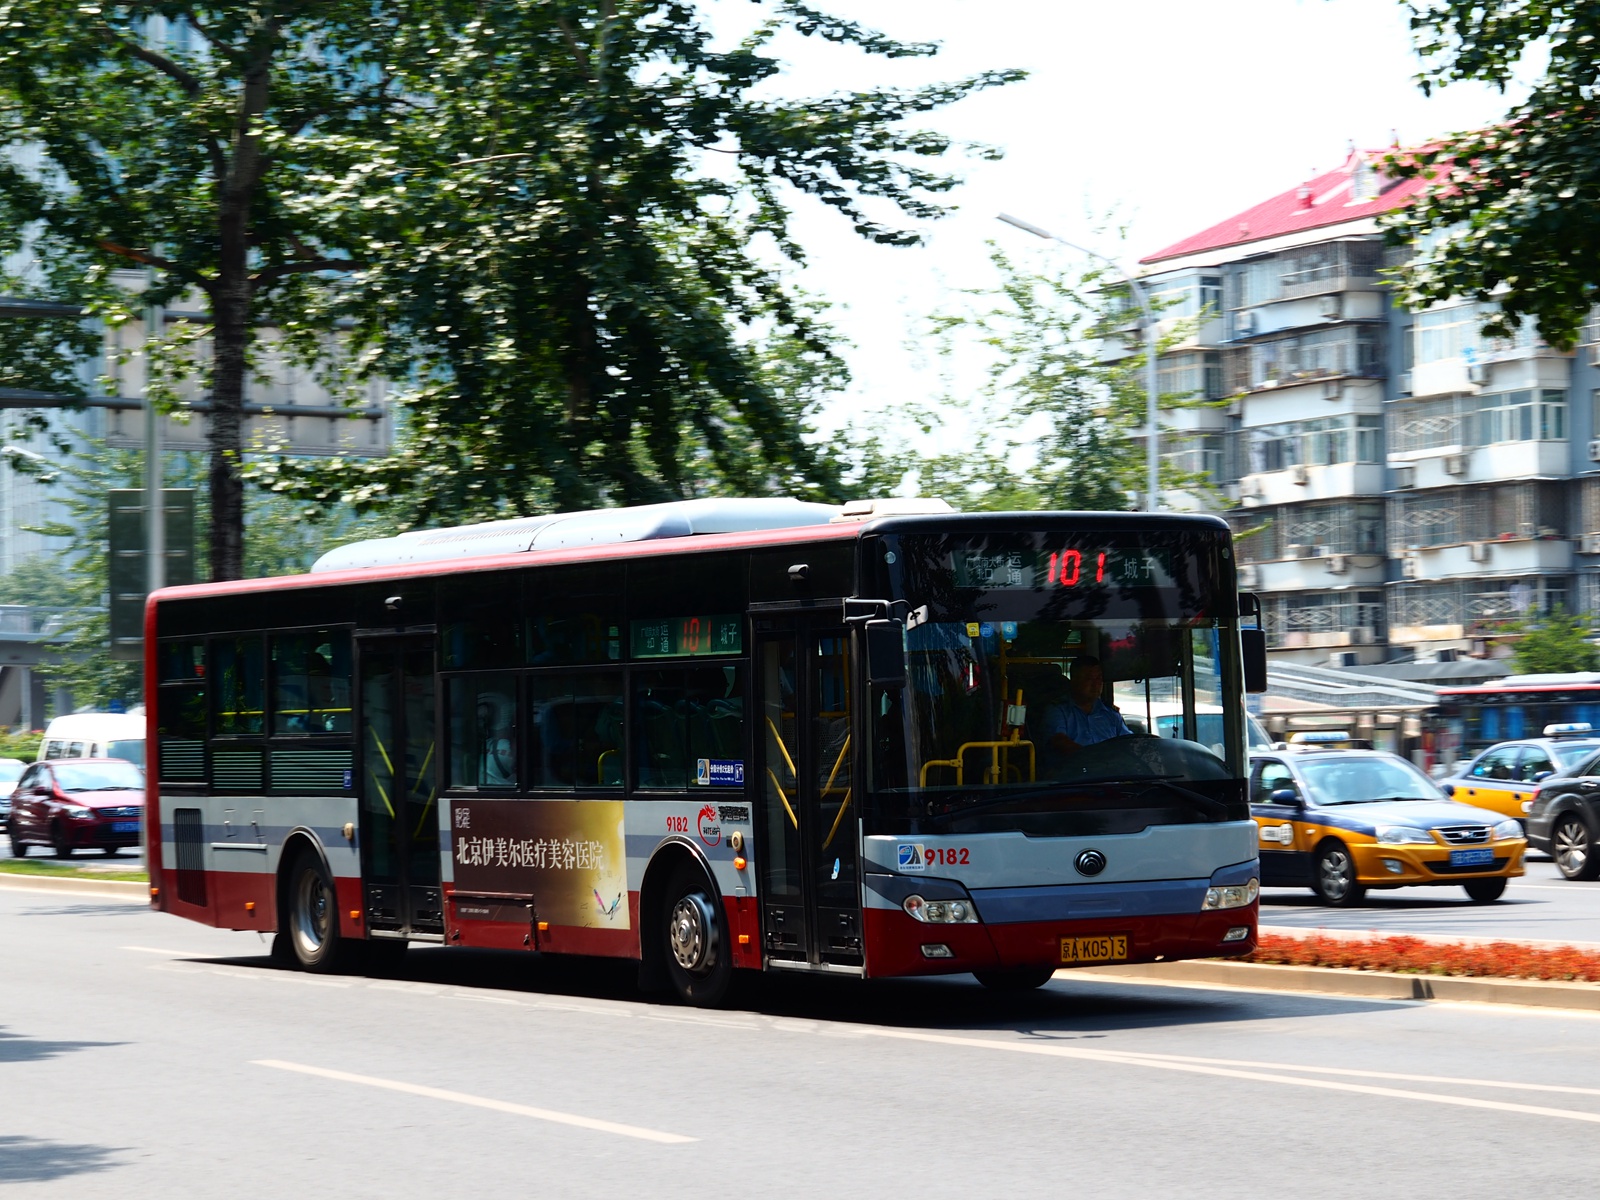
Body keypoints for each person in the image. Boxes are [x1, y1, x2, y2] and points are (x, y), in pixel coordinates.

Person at [1039, 657, 1131, 768]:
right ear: (1074, 681)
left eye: (1098, 678)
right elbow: (1060, 743)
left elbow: (1128, 742)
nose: (1096, 684)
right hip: (1073, 774)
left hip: (1110, 773)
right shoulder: (1057, 711)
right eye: (1089, 678)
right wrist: (1098, 759)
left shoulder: (1110, 714)